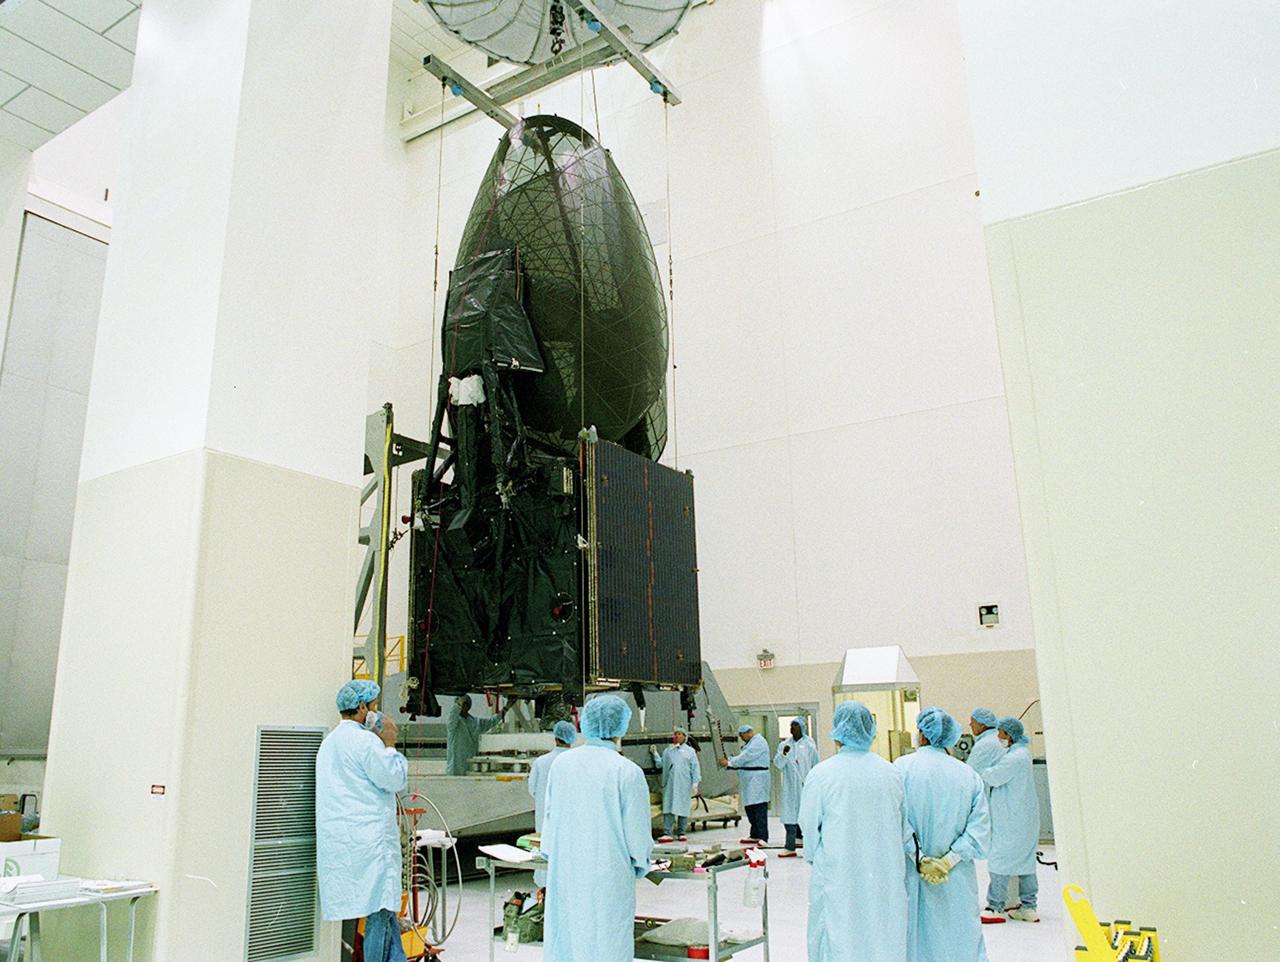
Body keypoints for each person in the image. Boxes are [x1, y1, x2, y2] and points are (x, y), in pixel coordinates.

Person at [541, 694, 654, 962]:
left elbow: (549, 817)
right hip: (608, 875)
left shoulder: (562, 765)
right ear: (620, 726)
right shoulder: (627, 771)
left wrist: (550, 853)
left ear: (585, 723)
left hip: (566, 871)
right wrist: (642, 863)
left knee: (567, 939)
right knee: (606, 942)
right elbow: (637, 834)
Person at [798, 701, 909, 962]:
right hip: (885, 874)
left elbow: (809, 826)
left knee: (838, 935)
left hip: (838, 874)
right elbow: (902, 825)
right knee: (882, 933)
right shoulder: (890, 772)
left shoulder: (822, 774)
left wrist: (816, 858)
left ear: (837, 730)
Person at [316, 680, 409, 962]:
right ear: (361, 708)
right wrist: (390, 742)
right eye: (375, 706)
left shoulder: (330, 743)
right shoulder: (366, 741)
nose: (378, 712)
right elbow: (394, 778)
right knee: (380, 912)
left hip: (346, 844)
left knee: (384, 912)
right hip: (371, 845)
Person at [895, 707, 990, 962]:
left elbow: (896, 820)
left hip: (911, 873)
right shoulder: (968, 775)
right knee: (958, 940)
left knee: (914, 940)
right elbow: (979, 829)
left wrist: (921, 858)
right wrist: (949, 860)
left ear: (922, 736)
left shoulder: (901, 769)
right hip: (955, 877)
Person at [981, 716, 1041, 924]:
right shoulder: (1020, 754)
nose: (998, 736)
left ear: (1009, 734)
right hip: (1021, 819)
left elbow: (994, 777)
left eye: (1001, 733)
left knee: (999, 860)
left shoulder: (1015, 758)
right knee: (1025, 863)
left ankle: (995, 906)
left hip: (1011, 820)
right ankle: (1028, 906)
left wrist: (980, 770)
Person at [528, 719, 578, 886]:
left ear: (555, 737)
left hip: (544, 819)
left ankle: (543, 889)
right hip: (572, 820)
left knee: (544, 852)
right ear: (572, 738)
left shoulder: (541, 762)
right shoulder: (577, 761)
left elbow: (532, 789)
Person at [773, 718, 819, 857]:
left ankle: (812, 847)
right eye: (791, 725)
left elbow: (815, 764)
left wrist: (814, 783)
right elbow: (778, 764)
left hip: (806, 785)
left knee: (808, 816)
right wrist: (783, 754)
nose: (792, 728)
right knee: (790, 816)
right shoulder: (785, 744)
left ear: (802, 728)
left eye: (795, 725)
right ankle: (790, 847)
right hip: (790, 788)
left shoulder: (809, 744)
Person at [719, 723, 771, 843]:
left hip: (757, 779)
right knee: (750, 808)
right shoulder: (750, 743)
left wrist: (729, 763)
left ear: (749, 733)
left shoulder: (759, 742)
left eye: (742, 735)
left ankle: (763, 836)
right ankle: (755, 834)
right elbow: (742, 758)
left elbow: (746, 757)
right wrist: (731, 761)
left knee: (759, 808)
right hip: (749, 779)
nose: (741, 738)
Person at [650, 726, 701, 842]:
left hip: (684, 784)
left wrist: (695, 783)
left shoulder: (690, 751)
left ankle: (681, 832)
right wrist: (655, 754)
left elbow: (695, 768)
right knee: (668, 807)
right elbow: (660, 765)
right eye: (676, 734)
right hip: (670, 784)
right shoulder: (668, 751)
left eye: (680, 734)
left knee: (683, 807)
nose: (677, 736)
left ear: (685, 737)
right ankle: (667, 832)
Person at [445, 693, 504, 775]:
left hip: (471, 769)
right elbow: (452, 714)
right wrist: (460, 700)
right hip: (455, 770)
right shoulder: (454, 723)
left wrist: (506, 708)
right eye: (459, 704)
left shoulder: (476, 722)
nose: (461, 707)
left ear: (468, 706)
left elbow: (493, 721)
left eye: (463, 704)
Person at [966, 707, 1003, 776]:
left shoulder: (984, 744)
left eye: (973, 722)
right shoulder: (1000, 738)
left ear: (982, 725)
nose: (970, 725)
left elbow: (971, 774)